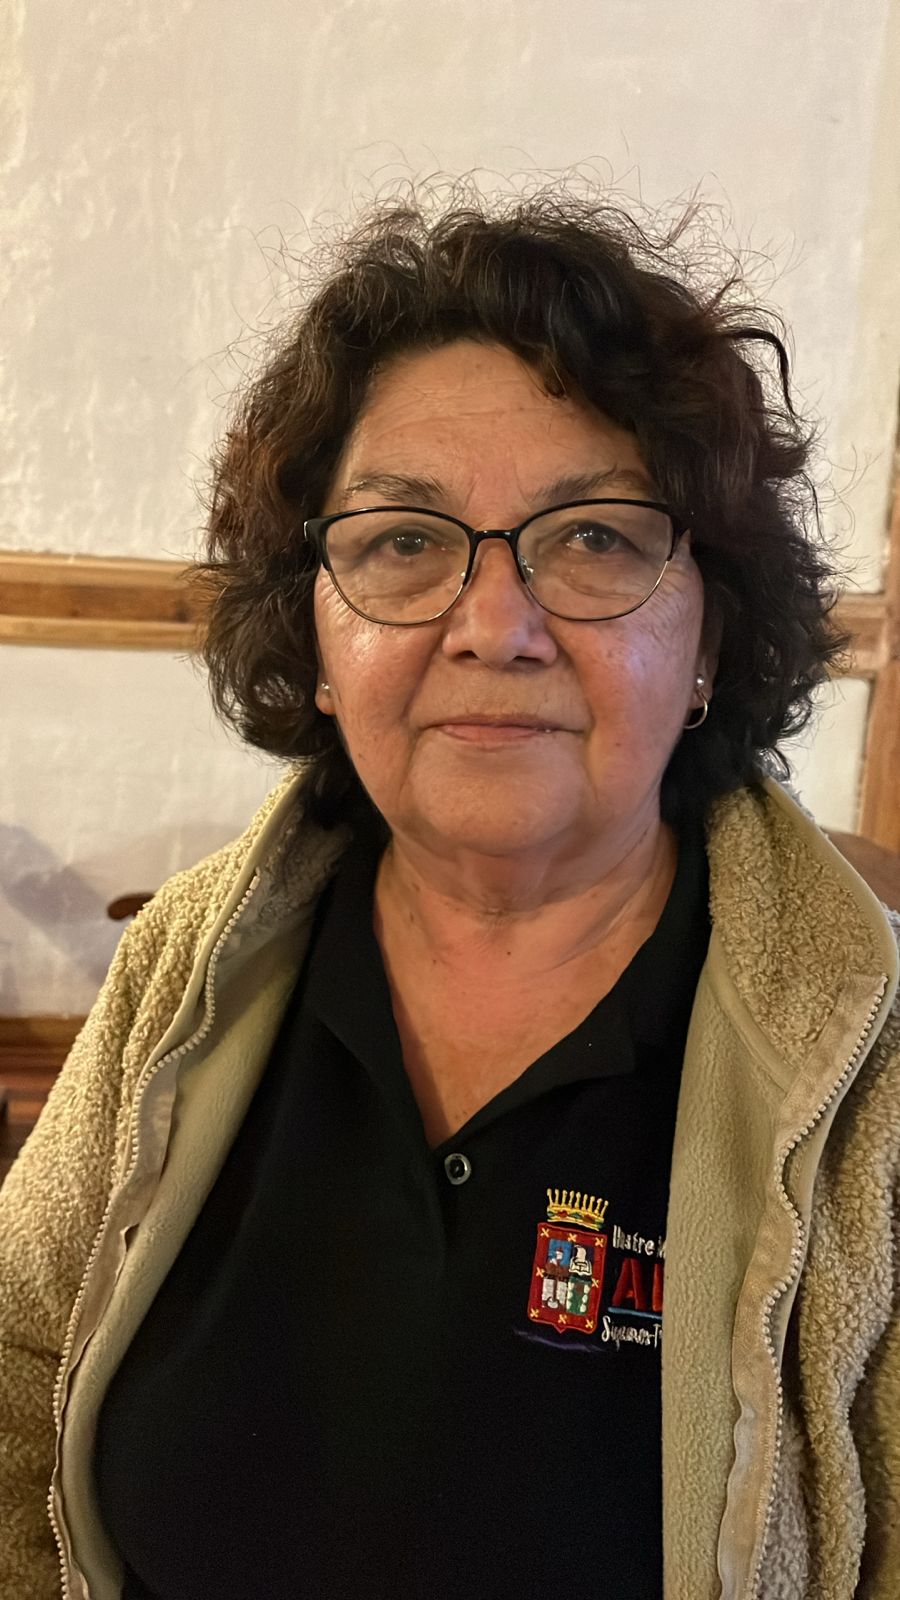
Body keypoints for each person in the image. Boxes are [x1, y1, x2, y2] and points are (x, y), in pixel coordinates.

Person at [1, 186, 898, 1600]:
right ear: (316, 630)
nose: (494, 627)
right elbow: (19, 1375)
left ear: (712, 639)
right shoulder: (184, 967)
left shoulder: (873, 1069)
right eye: (405, 539)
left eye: (595, 537)